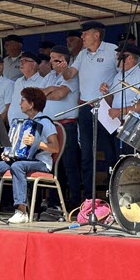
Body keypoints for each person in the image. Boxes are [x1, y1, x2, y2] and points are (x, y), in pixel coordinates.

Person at [0, 87, 59, 223]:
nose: (19, 103)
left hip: (41, 162)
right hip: (21, 161)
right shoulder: (22, 123)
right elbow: (16, 148)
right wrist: (8, 154)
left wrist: (37, 143)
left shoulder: (45, 122)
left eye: (22, 100)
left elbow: (55, 147)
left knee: (17, 166)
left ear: (31, 104)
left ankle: (21, 211)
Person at [63, 20, 118, 200]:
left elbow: (126, 73)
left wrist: (111, 87)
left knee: (110, 153)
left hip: (105, 107)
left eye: (85, 33)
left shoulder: (112, 50)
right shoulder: (81, 55)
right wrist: (62, 66)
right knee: (86, 155)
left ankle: (113, 197)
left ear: (96, 35)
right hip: (86, 108)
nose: (82, 36)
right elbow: (69, 74)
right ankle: (89, 198)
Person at [42, 45, 81, 209]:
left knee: (69, 165)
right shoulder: (50, 76)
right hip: (51, 126)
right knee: (53, 164)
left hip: (67, 125)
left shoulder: (71, 74)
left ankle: (75, 202)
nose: (51, 61)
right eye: (50, 58)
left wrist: (50, 91)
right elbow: (38, 94)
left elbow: (60, 94)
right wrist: (51, 88)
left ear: (63, 59)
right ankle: (54, 201)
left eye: (55, 58)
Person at [100, 43, 140, 155]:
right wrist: (105, 93)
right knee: (114, 158)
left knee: (129, 159)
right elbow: (113, 100)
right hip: (116, 123)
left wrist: (119, 111)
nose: (116, 58)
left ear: (130, 58)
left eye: (120, 56)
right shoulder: (119, 75)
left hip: (133, 126)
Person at [7, 52, 45, 124]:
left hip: (30, 125)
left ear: (33, 64)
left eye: (25, 61)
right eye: (20, 61)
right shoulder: (18, 81)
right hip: (14, 125)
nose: (21, 63)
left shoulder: (42, 82)